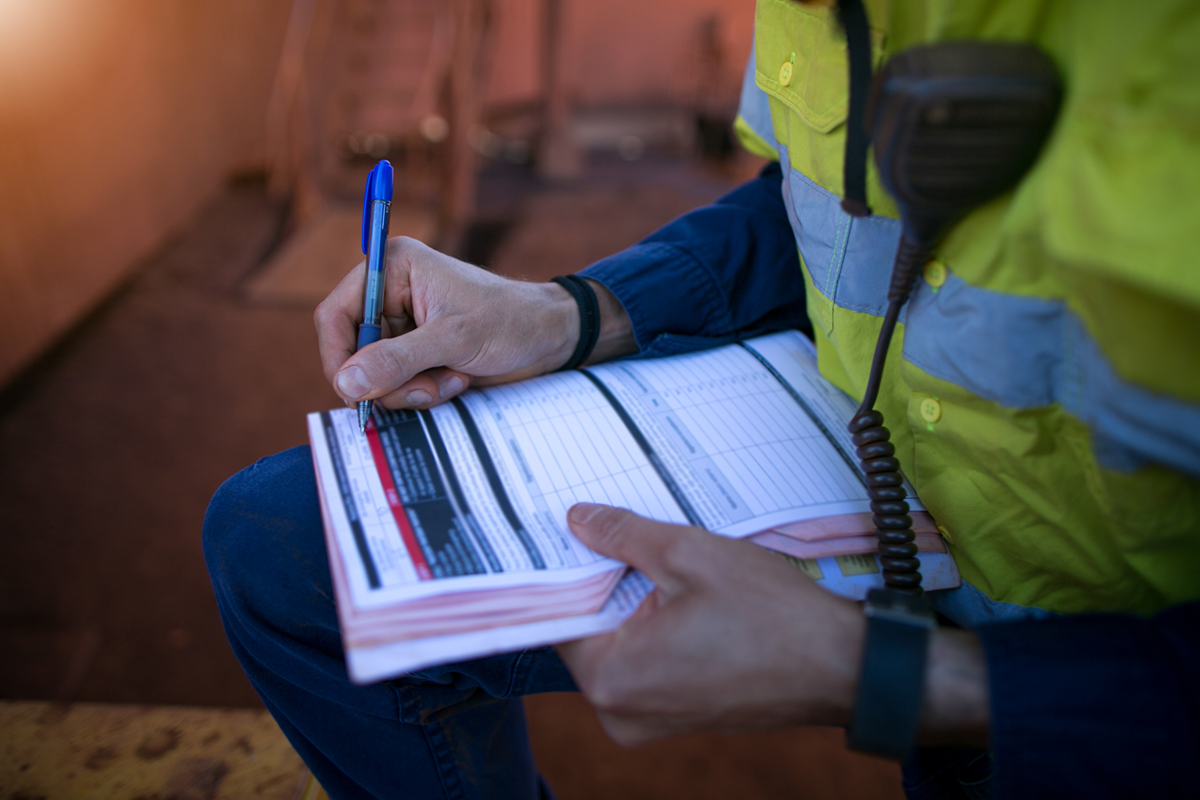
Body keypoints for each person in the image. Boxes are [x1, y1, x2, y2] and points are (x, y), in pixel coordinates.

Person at [203, 1, 1200, 797]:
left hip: (1103, 659)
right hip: (855, 464)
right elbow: (807, 200)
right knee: (278, 542)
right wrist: (567, 311)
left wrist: (898, 678)